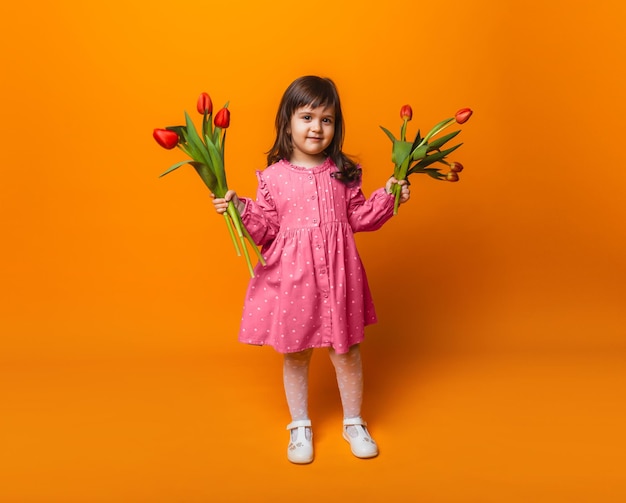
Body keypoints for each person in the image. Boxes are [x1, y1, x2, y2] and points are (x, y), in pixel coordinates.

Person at [212, 75, 410, 464]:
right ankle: (299, 426)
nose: (316, 127)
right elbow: (266, 230)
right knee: (296, 354)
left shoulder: (344, 172)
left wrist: (390, 195)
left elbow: (360, 217)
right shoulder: (272, 178)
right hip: (294, 280)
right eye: (306, 117)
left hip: (339, 279)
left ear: (336, 126)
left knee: (348, 352)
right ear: (287, 122)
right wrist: (239, 209)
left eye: (327, 119)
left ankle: (353, 421)